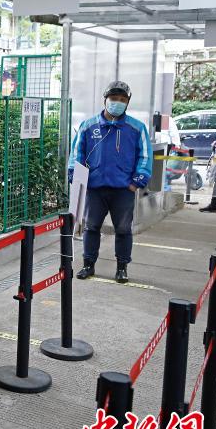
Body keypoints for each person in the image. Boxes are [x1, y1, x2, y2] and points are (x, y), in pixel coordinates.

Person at [68, 81, 152, 283]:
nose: (118, 102)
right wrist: (76, 177)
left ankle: (122, 268)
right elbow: (77, 154)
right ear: (105, 100)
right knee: (91, 227)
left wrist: (136, 182)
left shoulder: (137, 128)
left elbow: (145, 156)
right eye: (114, 98)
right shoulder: (88, 126)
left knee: (123, 229)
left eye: (123, 99)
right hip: (94, 189)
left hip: (123, 189)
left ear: (128, 102)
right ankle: (88, 265)